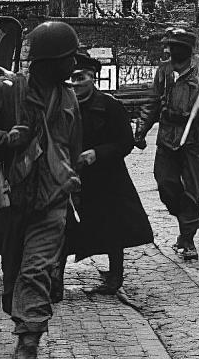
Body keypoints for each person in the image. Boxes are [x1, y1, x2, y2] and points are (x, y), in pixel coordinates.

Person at [0, 21, 82, 359]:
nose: (74, 65)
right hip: (12, 199)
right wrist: (6, 139)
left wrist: (71, 181)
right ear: (49, 61)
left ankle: (28, 342)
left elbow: (72, 145)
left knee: (35, 269)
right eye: (69, 58)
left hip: (52, 201)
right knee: (13, 272)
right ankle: (25, 322)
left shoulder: (68, 96)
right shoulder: (6, 90)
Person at [56, 51, 153, 303]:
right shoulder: (61, 104)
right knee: (63, 229)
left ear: (92, 78)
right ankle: (55, 281)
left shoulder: (110, 107)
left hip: (105, 179)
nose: (75, 83)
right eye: (71, 78)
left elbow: (125, 143)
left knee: (113, 229)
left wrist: (96, 153)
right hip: (69, 177)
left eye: (80, 78)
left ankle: (114, 278)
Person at [135, 27, 199, 261]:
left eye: (175, 46)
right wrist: (141, 130)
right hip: (168, 137)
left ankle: (187, 238)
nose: (169, 49)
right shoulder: (164, 71)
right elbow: (152, 102)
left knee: (192, 189)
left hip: (195, 140)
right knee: (165, 183)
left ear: (187, 48)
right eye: (168, 45)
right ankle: (191, 219)